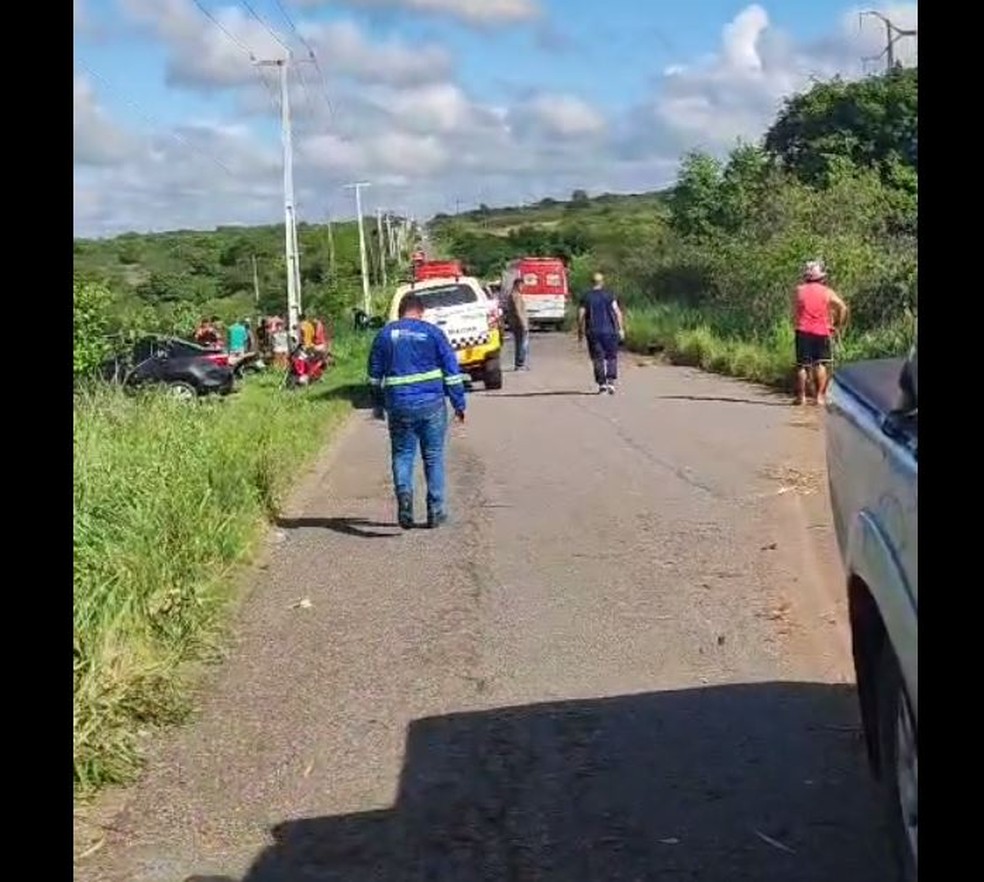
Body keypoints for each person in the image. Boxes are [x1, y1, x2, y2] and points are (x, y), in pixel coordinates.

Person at [367, 293, 467, 530]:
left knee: (403, 455)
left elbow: (373, 377)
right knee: (433, 457)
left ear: (400, 311)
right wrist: (459, 404)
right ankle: (436, 510)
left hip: (399, 406)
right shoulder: (433, 333)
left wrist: (379, 405)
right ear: (420, 311)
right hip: (432, 405)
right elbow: (452, 373)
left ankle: (404, 497)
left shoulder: (384, 336)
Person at [793, 260, 848, 406]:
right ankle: (819, 397)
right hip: (822, 331)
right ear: (822, 277)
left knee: (802, 365)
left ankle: (801, 397)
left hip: (803, 330)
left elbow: (795, 312)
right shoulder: (827, 292)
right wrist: (837, 325)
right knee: (821, 364)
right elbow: (842, 307)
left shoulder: (799, 290)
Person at [577, 271, 625, 394]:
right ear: (602, 282)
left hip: (593, 331)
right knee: (611, 356)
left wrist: (580, 331)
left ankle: (602, 384)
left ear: (591, 282)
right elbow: (617, 312)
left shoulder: (586, 297)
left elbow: (581, 315)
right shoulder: (609, 295)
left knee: (597, 358)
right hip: (609, 330)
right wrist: (620, 329)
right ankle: (611, 382)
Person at [505, 278, 530, 370]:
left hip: (515, 323)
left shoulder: (512, 295)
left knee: (519, 343)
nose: (522, 287)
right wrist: (523, 324)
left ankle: (519, 363)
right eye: (521, 285)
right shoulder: (516, 296)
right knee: (522, 344)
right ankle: (520, 363)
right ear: (517, 285)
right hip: (519, 324)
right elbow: (518, 311)